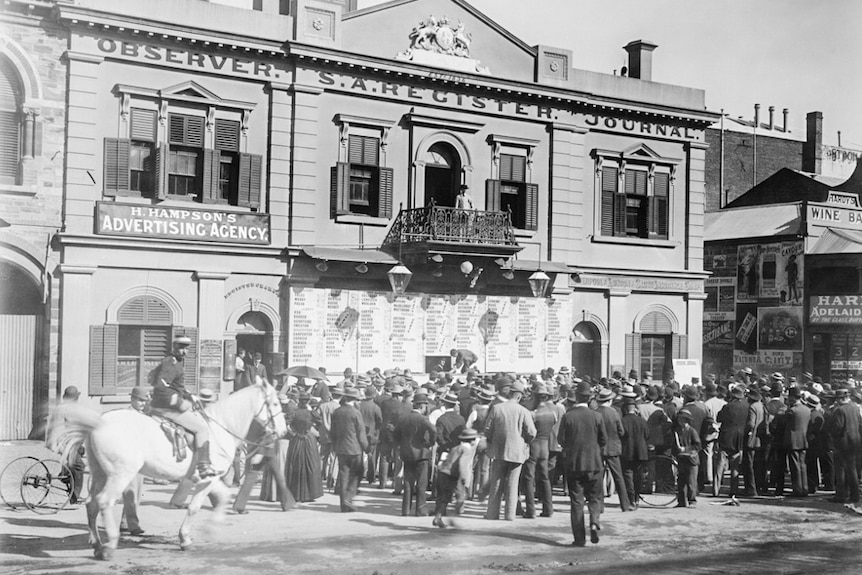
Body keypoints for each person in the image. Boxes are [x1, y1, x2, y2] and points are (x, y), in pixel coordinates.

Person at [150, 336, 215, 478]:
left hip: (168, 404)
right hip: (166, 407)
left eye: (186, 349)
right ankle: (204, 465)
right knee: (201, 428)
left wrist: (189, 395)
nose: (184, 352)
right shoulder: (170, 363)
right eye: (181, 348)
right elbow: (161, 387)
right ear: (174, 347)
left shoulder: (176, 363)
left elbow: (175, 386)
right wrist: (180, 403)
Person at [558, 381, 606, 546]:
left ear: (576, 396)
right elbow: (603, 440)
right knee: (594, 497)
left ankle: (579, 538)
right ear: (590, 398)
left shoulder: (568, 416)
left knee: (577, 501)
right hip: (594, 463)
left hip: (574, 464)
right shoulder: (597, 416)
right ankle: (594, 521)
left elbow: (561, 439)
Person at [484, 379, 536, 521]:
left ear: (510, 393)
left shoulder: (497, 408)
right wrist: (525, 442)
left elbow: (487, 430)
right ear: (519, 396)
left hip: (498, 451)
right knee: (513, 484)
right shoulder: (524, 411)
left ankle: (492, 514)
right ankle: (509, 515)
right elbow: (532, 432)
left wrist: (492, 440)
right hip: (517, 452)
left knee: (496, 482)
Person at [393, 393, 437, 516]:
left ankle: (406, 509)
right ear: (422, 406)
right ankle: (420, 509)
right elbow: (433, 430)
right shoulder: (423, 419)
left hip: (407, 453)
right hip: (422, 453)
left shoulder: (403, 418)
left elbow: (396, 434)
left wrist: (399, 445)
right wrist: (430, 443)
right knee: (421, 483)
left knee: (408, 482)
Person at [520, 383, 557, 518]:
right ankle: (548, 508)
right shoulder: (552, 413)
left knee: (529, 478)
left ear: (535, 397)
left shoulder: (533, 414)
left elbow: (528, 431)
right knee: (545, 477)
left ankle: (531, 510)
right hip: (545, 446)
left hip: (533, 446)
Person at [595, 387, 634, 512]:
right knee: (618, 477)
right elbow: (621, 431)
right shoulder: (614, 413)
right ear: (609, 400)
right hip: (613, 448)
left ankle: (599, 506)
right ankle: (625, 504)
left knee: (598, 477)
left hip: (599, 449)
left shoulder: (595, 413)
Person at [330, 387, 368, 512]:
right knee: (357, 473)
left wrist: (335, 445)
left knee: (343, 475)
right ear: (355, 399)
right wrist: (366, 447)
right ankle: (348, 497)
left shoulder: (337, 412)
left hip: (341, 448)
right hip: (354, 448)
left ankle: (343, 504)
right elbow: (361, 433)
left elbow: (333, 432)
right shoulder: (356, 413)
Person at [433, 428, 478, 528]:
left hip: (442, 472)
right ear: (471, 440)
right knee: (461, 496)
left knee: (444, 498)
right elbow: (463, 464)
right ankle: (452, 518)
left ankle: (438, 517)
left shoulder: (456, 447)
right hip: (452, 475)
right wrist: (464, 478)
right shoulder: (466, 450)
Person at [285, 392, 323, 503]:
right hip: (308, 440)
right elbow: (321, 424)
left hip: (296, 440)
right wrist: (314, 430)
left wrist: (293, 434)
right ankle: (310, 494)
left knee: (295, 465)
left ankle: (295, 493)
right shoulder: (312, 413)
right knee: (310, 465)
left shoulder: (294, 413)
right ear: (308, 401)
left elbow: (285, 425)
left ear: (299, 401)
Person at [120, 386, 149, 535]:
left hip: (139, 458)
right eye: (139, 400)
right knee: (130, 491)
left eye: (144, 401)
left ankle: (126, 522)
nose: (142, 403)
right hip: (129, 457)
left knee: (137, 491)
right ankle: (131, 525)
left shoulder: (142, 415)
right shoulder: (127, 415)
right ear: (132, 399)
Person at [827, 388, 861, 505]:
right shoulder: (855, 408)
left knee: (840, 470)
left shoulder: (839, 410)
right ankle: (854, 494)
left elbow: (837, 428)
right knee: (852, 469)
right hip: (854, 442)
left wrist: (832, 436)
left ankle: (841, 494)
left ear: (841, 399)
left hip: (842, 444)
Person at [713, 385, 748, 497]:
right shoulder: (747, 406)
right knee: (735, 466)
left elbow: (719, 418)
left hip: (726, 437)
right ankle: (734, 491)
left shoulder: (728, 406)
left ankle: (716, 490)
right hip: (739, 439)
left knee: (720, 465)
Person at [620, 397, 649, 509]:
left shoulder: (623, 421)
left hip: (627, 452)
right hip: (641, 452)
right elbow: (647, 435)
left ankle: (631, 499)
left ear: (625, 409)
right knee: (638, 477)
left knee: (628, 476)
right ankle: (636, 498)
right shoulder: (642, 421)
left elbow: (621, 435)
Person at [783, 387, 810, 497]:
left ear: (792, 398)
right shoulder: (807, 409)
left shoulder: (791, 411)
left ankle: (797, 490)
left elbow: (785, 423)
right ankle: (804, 488)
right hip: (803, 439)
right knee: (802, 465)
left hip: (793, 440)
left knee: (795, 466)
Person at [674, 409, 701, 508]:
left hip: (691, 460)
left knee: (691, 482)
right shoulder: (677, 431)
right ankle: (681, 501)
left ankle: (692, 501)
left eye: (681, 419)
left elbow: (698, 446)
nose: (679, 421)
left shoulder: (692, 431)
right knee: (681, 481)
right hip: (682, 459)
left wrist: (685, 449)